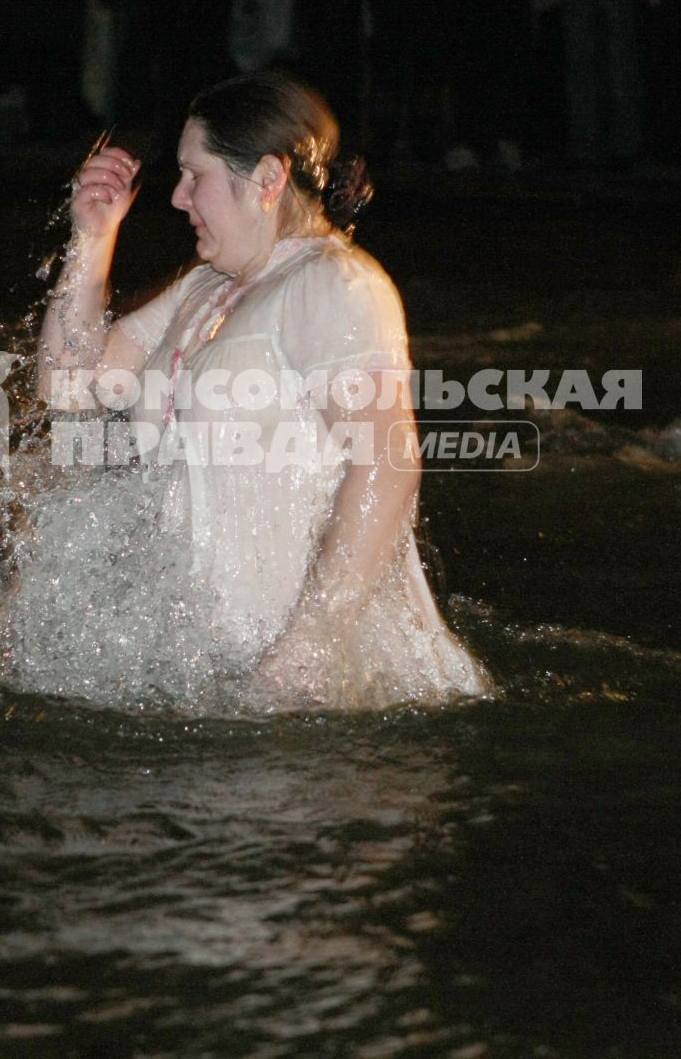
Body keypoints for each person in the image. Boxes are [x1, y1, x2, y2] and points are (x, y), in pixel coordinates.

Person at [28, 71, 491, 711]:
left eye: (197, 177)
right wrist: (93, 238)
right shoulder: (204, 289)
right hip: (225, 675)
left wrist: (310, 644)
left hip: (328, 692)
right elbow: (67, 387)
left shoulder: (334, 284)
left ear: (268, 179)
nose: (178, 198)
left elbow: (387, 462)